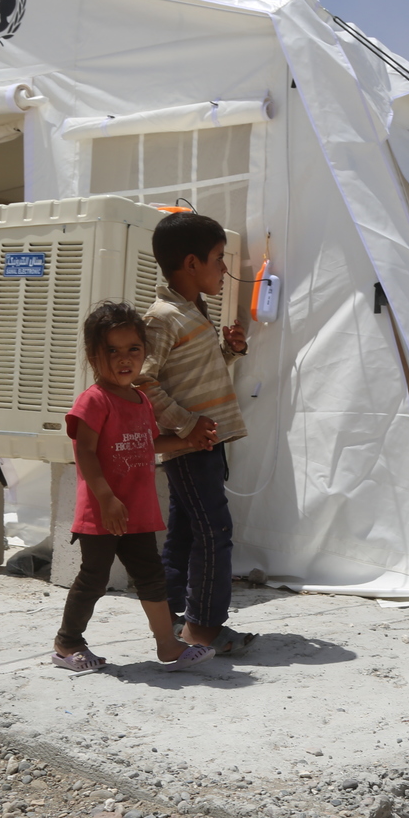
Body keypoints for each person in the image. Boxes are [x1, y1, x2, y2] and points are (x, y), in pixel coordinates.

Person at [52, 301, 214, 672]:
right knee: (94, 578)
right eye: (112, 350)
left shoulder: (140, 399)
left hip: (137, 511)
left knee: (151, 577)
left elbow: (146, 444)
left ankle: (167, 646)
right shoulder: (93, 401)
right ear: (93, 356)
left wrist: (187, 442)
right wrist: (106, 498)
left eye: (133, 350)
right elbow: (86, 454)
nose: (124, 359)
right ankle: (66, 643)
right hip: (103, 511)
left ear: (145, 352)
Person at [137, 211, 255, 656]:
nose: (224, 269)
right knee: (214, 531)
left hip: (205, 442)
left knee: (188, 533)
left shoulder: (191, 311)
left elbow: (189, 375)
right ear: (191, 263)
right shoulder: (163, 317)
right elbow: (143, 382)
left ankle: (170, 621)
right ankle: (204, 629)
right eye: (218, 258)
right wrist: (187, 426)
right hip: (192, 445)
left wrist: (230, 350)